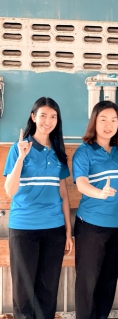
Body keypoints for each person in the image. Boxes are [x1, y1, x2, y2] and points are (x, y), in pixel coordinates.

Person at [3, 97, 73, 318]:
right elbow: (9, 190)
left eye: (53, 116)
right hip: (24, 228)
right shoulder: (19, 148)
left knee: (47, 291)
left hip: (54, 229)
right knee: (24, 294)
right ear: (33, 117)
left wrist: (68, 232)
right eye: (43, 115)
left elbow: (63, 194)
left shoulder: (58, 152)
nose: (48, 121)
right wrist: (21, 159)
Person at [72, 101, 118, 319]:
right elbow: (80, 183)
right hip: (91, 226)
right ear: (94, 122)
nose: (109, 125)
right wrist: (99, 193)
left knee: (108, 281)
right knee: (87, 283)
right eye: (103, 119)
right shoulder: (84, 152)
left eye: (114, 120)